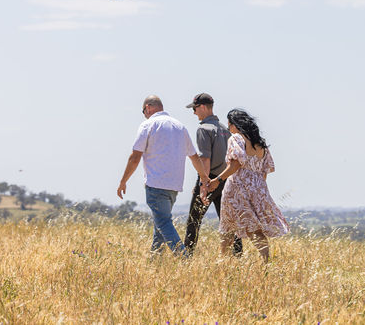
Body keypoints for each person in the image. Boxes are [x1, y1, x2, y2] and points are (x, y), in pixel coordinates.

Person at [117, 95, 212, 254]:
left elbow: (135, 157)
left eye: (144, 111)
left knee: (163, 222)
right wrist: (203, 177)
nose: (144, 114)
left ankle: (183, 257)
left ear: (148, 107)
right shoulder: (180, 127)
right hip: (174, 186)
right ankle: (155, 261)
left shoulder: (148, 125)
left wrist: (123, 181)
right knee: (160, 224)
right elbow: (194, 157)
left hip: (156, 184)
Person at [206, 108, 288, 261]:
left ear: (235, 125)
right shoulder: (260, 144)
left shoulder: (236, 139)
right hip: (258, 188)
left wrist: (217, 180)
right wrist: (257, 188)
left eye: (230, 125)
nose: (229, 129)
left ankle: (222, 261)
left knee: (228, 227)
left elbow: (235, 165)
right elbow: (265, 171)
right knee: (254, 228)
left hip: (238, 187)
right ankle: (265, 261)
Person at [183, 92, 242, 256]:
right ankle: (238, 256)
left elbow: (205, 158)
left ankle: (186, 257)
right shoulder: (225, 129)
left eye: (194, 109)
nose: (194, 113)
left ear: (202, 107)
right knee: (229, 222)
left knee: (194, 221)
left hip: (209, 180)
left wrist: (204, 184)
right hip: (225, 180)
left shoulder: (203, 129)